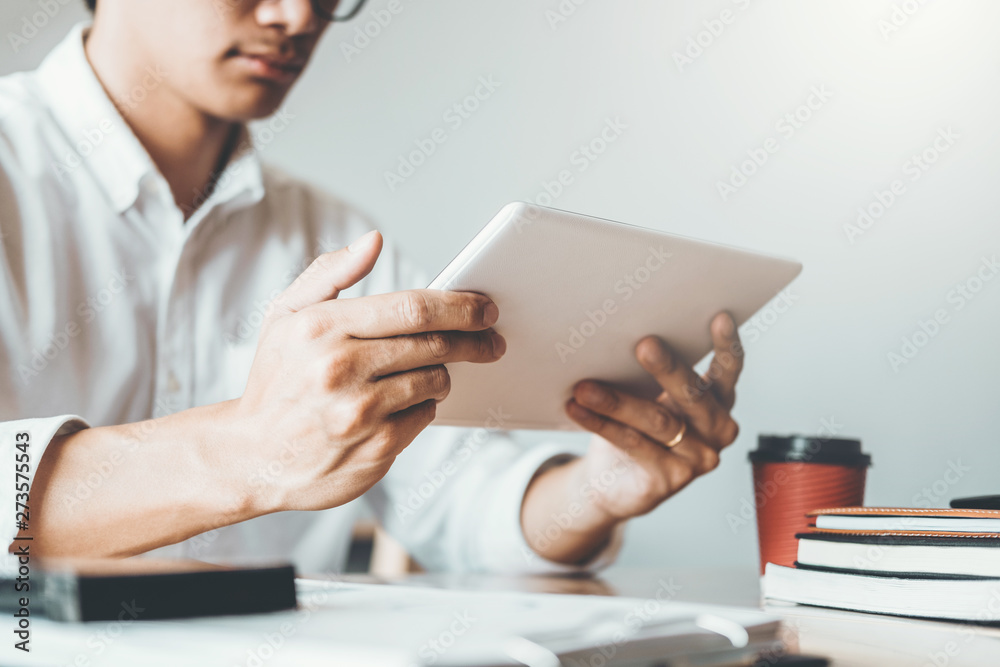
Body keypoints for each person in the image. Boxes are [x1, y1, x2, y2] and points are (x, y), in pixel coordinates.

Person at [0, 0, 744, 575]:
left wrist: (597, 490)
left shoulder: (336, 239)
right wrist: (249, 447)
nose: (298, 19)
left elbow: (454, 497)